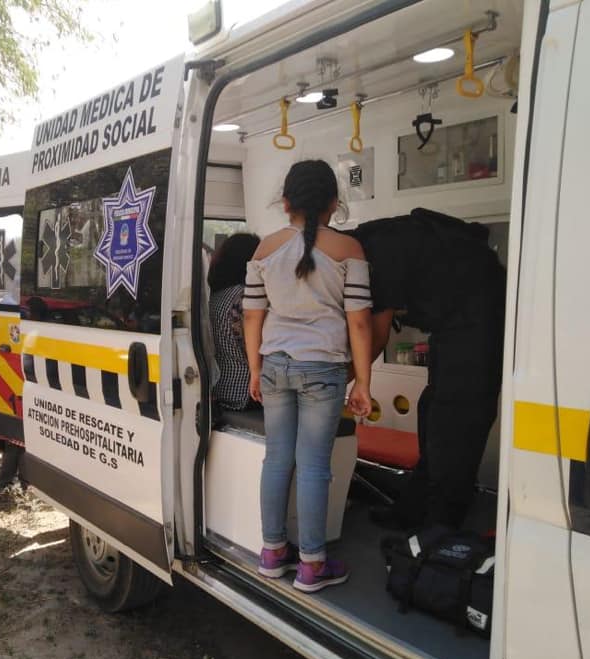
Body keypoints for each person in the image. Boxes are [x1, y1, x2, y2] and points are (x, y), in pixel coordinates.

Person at [243, 160, 373, 593]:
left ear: (286, 203)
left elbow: (252, 317)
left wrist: (256, 369)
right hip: (322, 368)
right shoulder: (350, 250)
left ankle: (272, 552)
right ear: (334, 203)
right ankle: (312, 565)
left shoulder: (263, 251)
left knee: (277, 459)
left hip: (275, 364)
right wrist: (363, 383)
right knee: (315, 465)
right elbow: (359, 322)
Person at [349, 208, 506, 530]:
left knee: (454, 421)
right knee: (431, 409)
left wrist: (344, 381)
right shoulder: (365, 243)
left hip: (479, 317)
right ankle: (414, 510)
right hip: (452, 321)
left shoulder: (375, 258)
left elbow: (374, 336)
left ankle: (441, 529)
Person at [208, 233, 261, 411]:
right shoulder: (246, 297)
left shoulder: (213, 296)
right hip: (249, 392)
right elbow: (254, 346)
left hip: (219, 388)